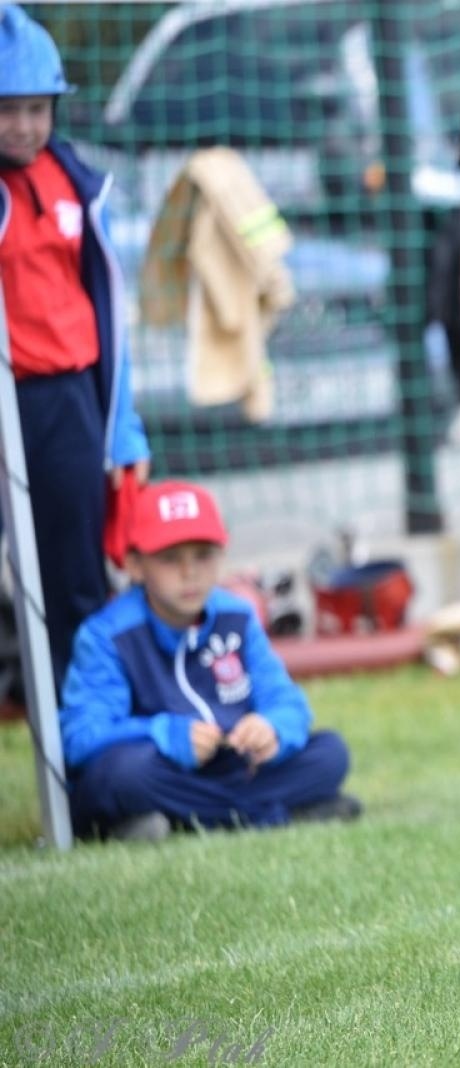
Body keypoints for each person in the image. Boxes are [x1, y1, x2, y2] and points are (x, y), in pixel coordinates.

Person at [59, 482, 361, 841]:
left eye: (202, 555)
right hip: (160, 770)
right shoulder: (107, 634)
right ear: (135, 565)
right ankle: (275, 811)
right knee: (120, 776)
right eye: (170, 558)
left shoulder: (237, 615)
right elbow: (80, 737)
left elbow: (286, 701)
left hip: (234, 769)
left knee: (330, 754)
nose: (189, 573)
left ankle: (182, 820)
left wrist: (273, 728)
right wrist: (163, 734)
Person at [0, 5, 149, 692]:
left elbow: (111, 317)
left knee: (77, 580)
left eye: (37, 107)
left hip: (67, 404)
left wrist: (122, 428)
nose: (25, 125)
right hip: (7, 394)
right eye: (7, 109)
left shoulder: (79, 185)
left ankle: (88, 757)